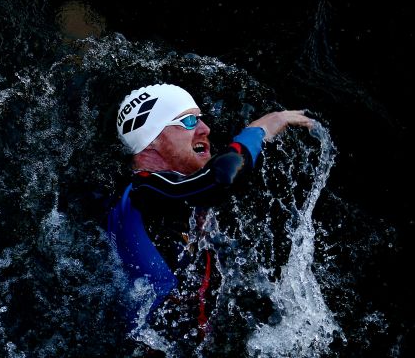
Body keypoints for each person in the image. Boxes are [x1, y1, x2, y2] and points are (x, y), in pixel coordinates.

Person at [106, 83, 313, 343]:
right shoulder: (144, 191)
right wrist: (262, 128)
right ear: (152, 139)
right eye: (189, 121)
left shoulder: (173, 195)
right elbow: (221, 176)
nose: (205, 129)